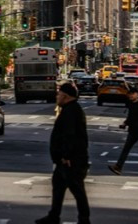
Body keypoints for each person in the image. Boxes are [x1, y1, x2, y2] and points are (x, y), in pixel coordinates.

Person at [36, 82, 90, 224]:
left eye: (59, 94)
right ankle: (54, 216)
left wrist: (66, 156)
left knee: (77, 189)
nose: (57, 96)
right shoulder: (70, 109)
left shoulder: (71, 112)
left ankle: (84, 220)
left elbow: (70, 136)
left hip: (71, 160)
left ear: (65, 96)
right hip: (65, 159)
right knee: (58, 187)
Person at [108, 88, 138, 177]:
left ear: (137, 94)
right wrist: (125, 123)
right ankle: (118, 167)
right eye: (129, 94)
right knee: (126, 149)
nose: (130, 96)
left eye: (132, 94)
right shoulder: (131, 104)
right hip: (132, 131)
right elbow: (130, 117)